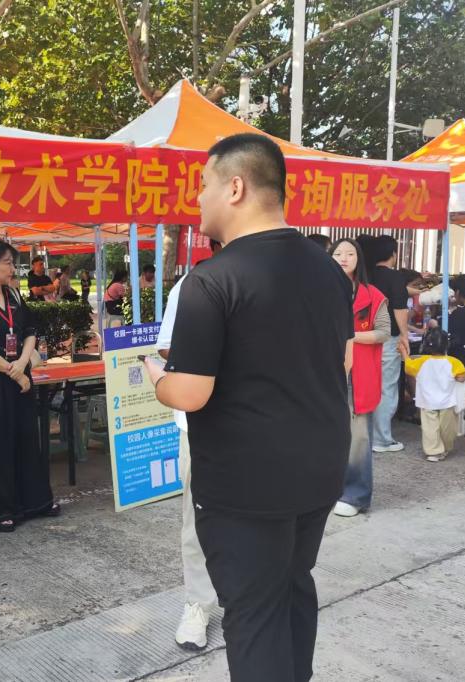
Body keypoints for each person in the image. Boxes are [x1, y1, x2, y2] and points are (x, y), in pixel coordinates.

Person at [144, 134, 352, 682]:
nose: (198, 199)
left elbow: (190, 392)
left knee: (254, 613)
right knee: (293, 586)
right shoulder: (328, 269)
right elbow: (343, 361)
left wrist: (157, 379)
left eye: (204, 185)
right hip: (319, 468)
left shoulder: (211, 281)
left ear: (234, 187)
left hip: (246, 485)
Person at [0, 238, 59, 532]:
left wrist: (23, 363)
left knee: (27, 439)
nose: (13, 268)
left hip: (20, 377)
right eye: (7, 263)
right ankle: (1, 509)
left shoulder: (14, 294)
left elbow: (29, 330)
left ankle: (36, 502)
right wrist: (14, 372)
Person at [154, 239, 221, 651]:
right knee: (198, 518)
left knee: (260, 518)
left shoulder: (281, 279)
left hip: (265, 425)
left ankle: (248, 597)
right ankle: (198, 604)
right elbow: (166, 345)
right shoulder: (193, 284)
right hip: (200, 423)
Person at [330, 239, 389, 518]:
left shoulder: (373, 295)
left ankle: (355, 495)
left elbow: (383, 332)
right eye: (338, 253)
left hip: (359, 373)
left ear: (359, 259)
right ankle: (329, 490)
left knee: (359, 437)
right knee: (328, 432)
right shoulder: (319, 291)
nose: (343, 257)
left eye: (350, 253)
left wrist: (351, 336)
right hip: (326, 371)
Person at [366, 235, 411, 453]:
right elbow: (399, 308)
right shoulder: (395, 277)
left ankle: (363, 436)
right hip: (387, 338)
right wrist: (404, 335)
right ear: (393, 254)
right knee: (386, 387)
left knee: (363, 385)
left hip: (363, 338)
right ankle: (382, 439)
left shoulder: (363, 274)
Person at [404, 328, 465, 462]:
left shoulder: (421, 361)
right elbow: (461, 378)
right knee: (448, 429)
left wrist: (404, 353)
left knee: (430, 428)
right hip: (447, 402)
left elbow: (408, 367)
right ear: (446, 345)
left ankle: (433, 451)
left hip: (427, 402)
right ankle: (445, 448)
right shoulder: (454, 362)